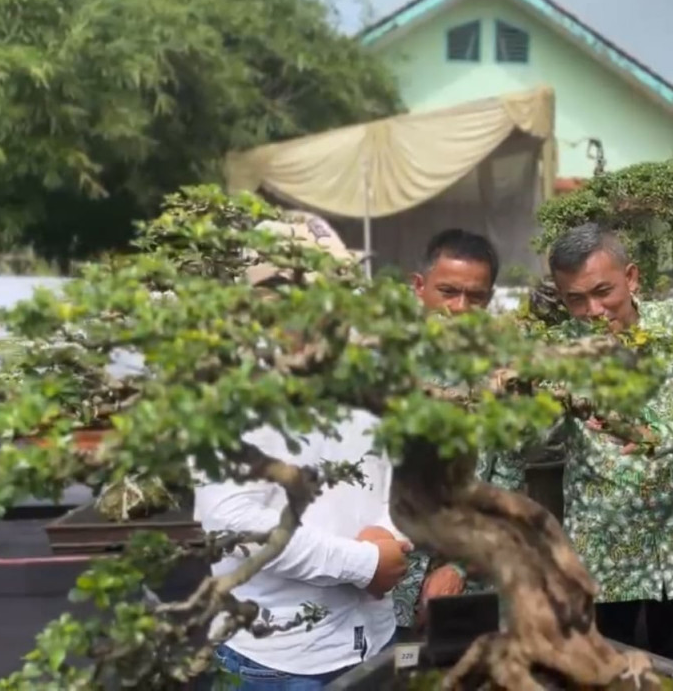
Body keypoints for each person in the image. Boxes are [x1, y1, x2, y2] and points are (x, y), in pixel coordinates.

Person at [195, 212, 411, 690]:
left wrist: (388, 534)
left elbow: (386, 474)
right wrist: (364, 564)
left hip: (372, 639)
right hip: (278, 658)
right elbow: (232, 522)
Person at [547, 222, 673, 668]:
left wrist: (660, 436)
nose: (592, 309)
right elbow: (533, 436)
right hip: (602, 559)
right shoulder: (556, 353)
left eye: (603, 291)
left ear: (631, 278)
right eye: (575, 299)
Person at [395, 228, 525, 633]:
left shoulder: (502, 374)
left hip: (470, 582)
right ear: (419, 287)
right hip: (383, 580)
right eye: (447, 292)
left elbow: (508, 483)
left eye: (476, 297)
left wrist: (459, 567)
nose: (459, 308)